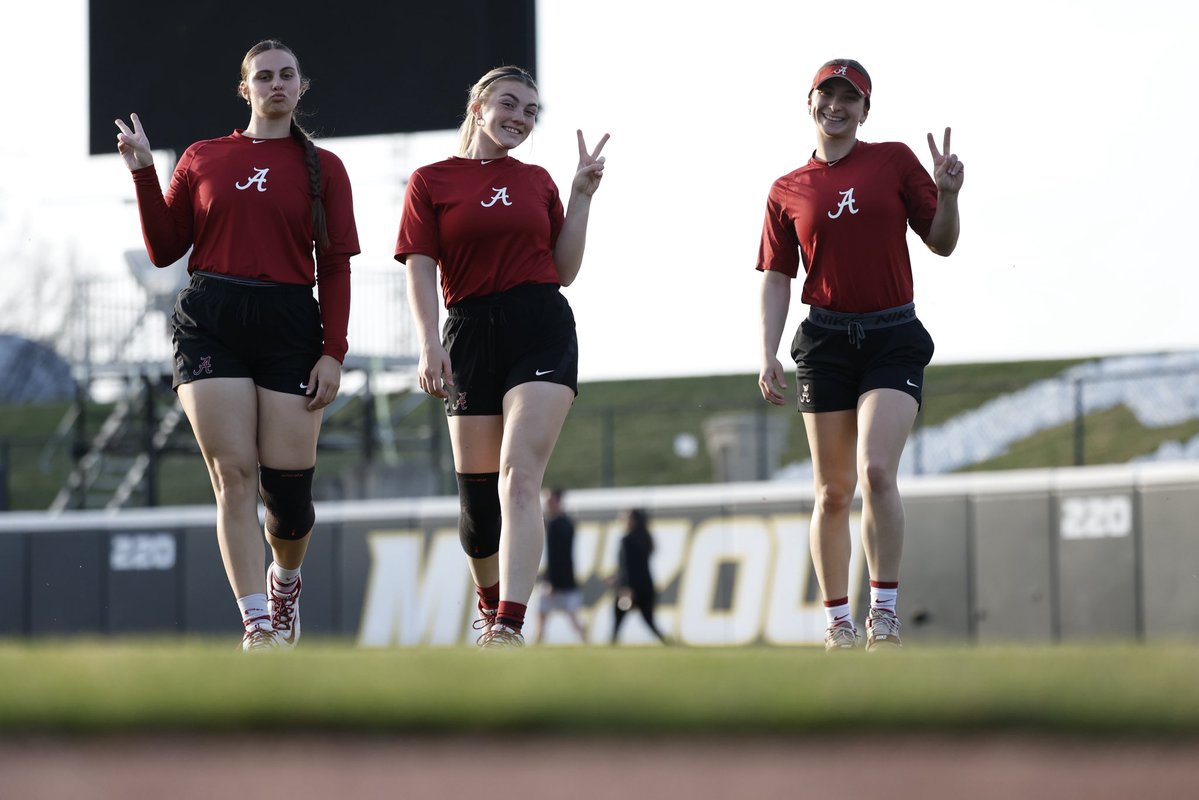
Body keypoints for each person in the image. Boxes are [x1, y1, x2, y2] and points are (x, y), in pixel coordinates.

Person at [115, 40, 359, 652]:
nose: (276, 84)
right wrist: (144, 170)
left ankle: (285, 581)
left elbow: (334, 266)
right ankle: (257, 627)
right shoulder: (203, 157)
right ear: (244, 88)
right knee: (233, 474)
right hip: (210, 318)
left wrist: (334, 350)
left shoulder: (325, 168)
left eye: (287, 76)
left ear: (301, 87)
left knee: (289, 499)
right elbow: (165, 249)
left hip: (289, 325)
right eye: (264, 77)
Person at [395, 66, 608, 649]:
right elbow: (419, 264)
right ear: (478, 106)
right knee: (478, 506)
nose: (519, 117)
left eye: (531, 110)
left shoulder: (538, 180)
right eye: (509, 104)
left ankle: (509, 626)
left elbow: (563, 271)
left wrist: (580, 196)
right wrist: (429, 343)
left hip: (539, 326)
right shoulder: (431, 180)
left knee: (520, 475)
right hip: (466, 333)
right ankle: (491, 610)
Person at [755, 59, 964, 652]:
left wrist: (947, 196)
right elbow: (776, 277)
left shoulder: (894, 160)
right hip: (823, 342)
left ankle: (885, 615)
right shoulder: (786, 189)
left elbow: (943, 243)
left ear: (865, 109)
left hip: (892, 335)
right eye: (828, 94)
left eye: (851, 97)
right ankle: (837, 624)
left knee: (876, 472)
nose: (837, 105)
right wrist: (767, 352)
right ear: (811, 103)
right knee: (832, 491)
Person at [536, 487, 588, 644]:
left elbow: (558, 557)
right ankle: (537, 641)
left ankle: (537, 642)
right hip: (565, 579)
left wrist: (553, 581)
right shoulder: (566, 523)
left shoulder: (558, 525)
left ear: (558, 501)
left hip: (560, 581)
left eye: (550, 500)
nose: (547, 504)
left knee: (550, 615)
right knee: (544, 615)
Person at [611, 508, 668, 645]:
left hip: (631, 589)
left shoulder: (627, 540)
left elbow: (627, 567)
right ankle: (666, 642)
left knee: (619, 612)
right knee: (648, 620)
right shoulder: (646, 538)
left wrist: (627, 587)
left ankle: (612, 642)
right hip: (646, 586)